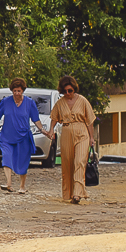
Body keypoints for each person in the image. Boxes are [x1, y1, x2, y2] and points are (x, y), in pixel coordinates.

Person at [0, 78, 50, 194]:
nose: (17, 93)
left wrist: (43, 130)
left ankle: (22, 186)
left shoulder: (29, 103)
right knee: (6, 156)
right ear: (12, 91)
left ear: (23, 91)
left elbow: (36, 119)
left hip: (23, 137)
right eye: (15, 91)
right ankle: (8, 183)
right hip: (7, 136)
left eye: (19, 91)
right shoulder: (6, 102)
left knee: (23, 161)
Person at [48, 75, 97, 204]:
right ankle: (68, 193)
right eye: (65, 91)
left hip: (82, 132)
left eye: (70, 90)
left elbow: (90, 120)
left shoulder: (83, 101)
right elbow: (54, 117)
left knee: (79, 162)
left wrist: (92, 138)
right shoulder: (60, 103)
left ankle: (78, 193)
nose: (68, 93)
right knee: (67, 163)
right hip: (66, 132)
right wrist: (51, 130)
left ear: (74, 89)